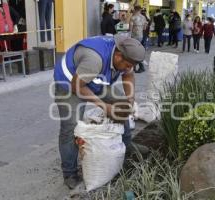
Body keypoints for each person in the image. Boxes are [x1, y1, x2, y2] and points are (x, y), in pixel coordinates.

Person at [54, 35, 149, 189]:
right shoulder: (94, 59)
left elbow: (128, 74)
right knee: (70, 127)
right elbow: (77, 86)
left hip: (95, 79)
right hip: (70, 84)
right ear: (118, 56)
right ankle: (69, 173)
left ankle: (127, 144)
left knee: (122, 106)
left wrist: (130, 99)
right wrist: (104, 106)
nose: (127, 68)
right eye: (126, 64)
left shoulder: (126, 52)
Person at [130, 5, 147, 73]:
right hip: (141, 36)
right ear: (140, 10)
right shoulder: (143, 17)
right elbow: (144, 28)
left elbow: (130, 29)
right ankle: (133, 67)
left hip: (134, 36)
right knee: (134, 52)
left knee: (134, 52)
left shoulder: (133, 18)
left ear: (134, 10)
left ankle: (141, 67)